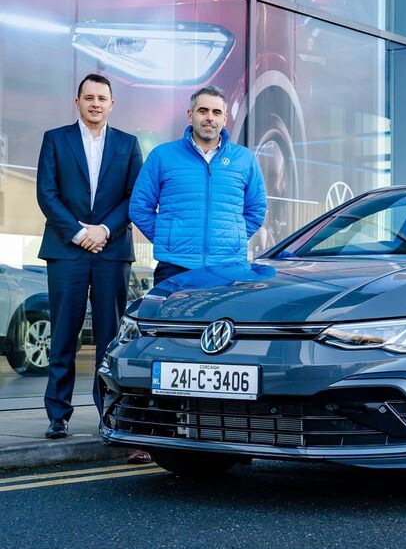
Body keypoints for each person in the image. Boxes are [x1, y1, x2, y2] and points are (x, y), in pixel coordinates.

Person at [37, 74, 143, 438]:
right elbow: (47, 194)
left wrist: (104, 231)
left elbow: (134, 197)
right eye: (89, 97)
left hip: (111, 250)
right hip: (67, 250)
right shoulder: (55, 139)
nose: (95, 103)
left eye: (102, 98)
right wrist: (82, 234)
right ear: (77, 102)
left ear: (112, 104)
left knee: (110, 336)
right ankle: (58, 414)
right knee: (64, 332)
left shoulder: (129, 145)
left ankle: (108, 414)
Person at [129, 85, 267, 286]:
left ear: (224, 118)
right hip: (174, 268)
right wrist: (167, 238)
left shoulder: (245, 159)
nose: (210, 117)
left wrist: (233, 238)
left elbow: (257, 209)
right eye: (203, 111)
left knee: (225, 318)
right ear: (190, 114)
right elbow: (139, 207)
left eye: (216, 112)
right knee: (171, 319)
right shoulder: (162, 156)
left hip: (229, 268)